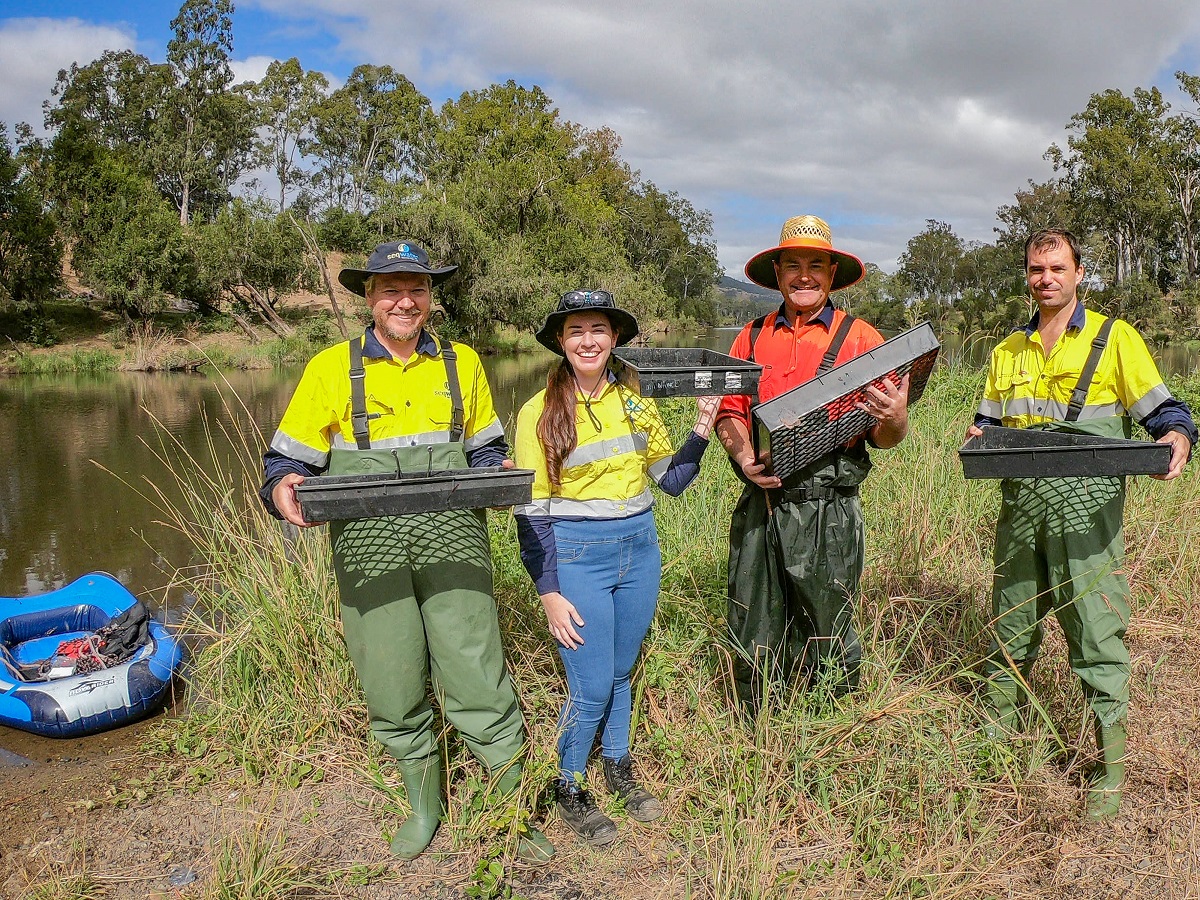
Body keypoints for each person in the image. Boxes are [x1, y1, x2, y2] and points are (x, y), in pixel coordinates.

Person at [259, 240, 553, 862]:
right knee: (390, 677)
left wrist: (496, 472)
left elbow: (483, 450)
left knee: (477, 670)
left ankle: (511, 811)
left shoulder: (462, 362)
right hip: (369, 550)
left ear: (430, 297)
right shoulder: (329, 368)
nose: (405, 301)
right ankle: (425, 807)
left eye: (416, 288)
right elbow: (286, 461)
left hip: (455, 540)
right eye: (390, 289)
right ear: (369, 297)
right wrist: (283, 488)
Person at [966, 228, 1196, 819]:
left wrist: (1177, 437)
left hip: (1087, 514)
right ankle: (997, 745)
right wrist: (979, 437)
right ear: (1027, 275)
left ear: (1078, 273)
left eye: (1057, 268)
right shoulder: (1007, 351)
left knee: (1096, 634)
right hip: (1020, 512)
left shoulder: (1114, 338)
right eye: (1036, 269)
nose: (1045, 279)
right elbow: (986, 426)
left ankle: (1109, 770)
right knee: (1010, 628)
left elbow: (1165, 411)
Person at [513, 290, 719, 846]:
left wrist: (701, 429)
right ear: (561, 341)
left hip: (640, 550)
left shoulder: (636, 401)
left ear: (615, 338)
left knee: (621, 672)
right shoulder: (537, 411)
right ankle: (569, 785)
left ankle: (618, 765)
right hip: (578, 558)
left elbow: (671, 480)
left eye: (598, 330)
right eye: (576, 330)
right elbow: (530, 512)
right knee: (592, 684)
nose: (588, 341)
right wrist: (549, 591)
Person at [714, 215, 910, 709]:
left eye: (816, 265)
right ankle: (759, 720)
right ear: (778, 273)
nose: (804, 276)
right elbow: (729, 412)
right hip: (761, 500)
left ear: (831, 273)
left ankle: (831, 722)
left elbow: (885, 438)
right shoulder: (749, 337)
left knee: (828, 623)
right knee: (754, 617)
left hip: (830, 506)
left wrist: (897, 417)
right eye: (793, 265)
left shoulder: (862, 339)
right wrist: (742, 455)